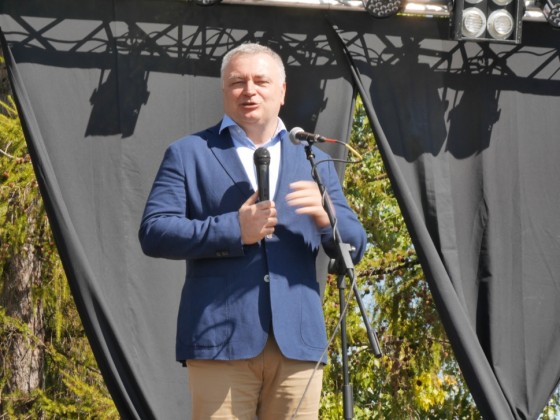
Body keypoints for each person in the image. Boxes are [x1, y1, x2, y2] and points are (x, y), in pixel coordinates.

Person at [138, 43, 366, 419]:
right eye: (237, 82)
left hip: (298, 344)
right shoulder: (189, 152)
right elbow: (155, 231)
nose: (249, 90)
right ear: (223, 91)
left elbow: (354, 245)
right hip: (220, 339)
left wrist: (329, 220)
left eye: (261, 81)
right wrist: (234, 229)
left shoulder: (314, 159)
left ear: (282, 91)